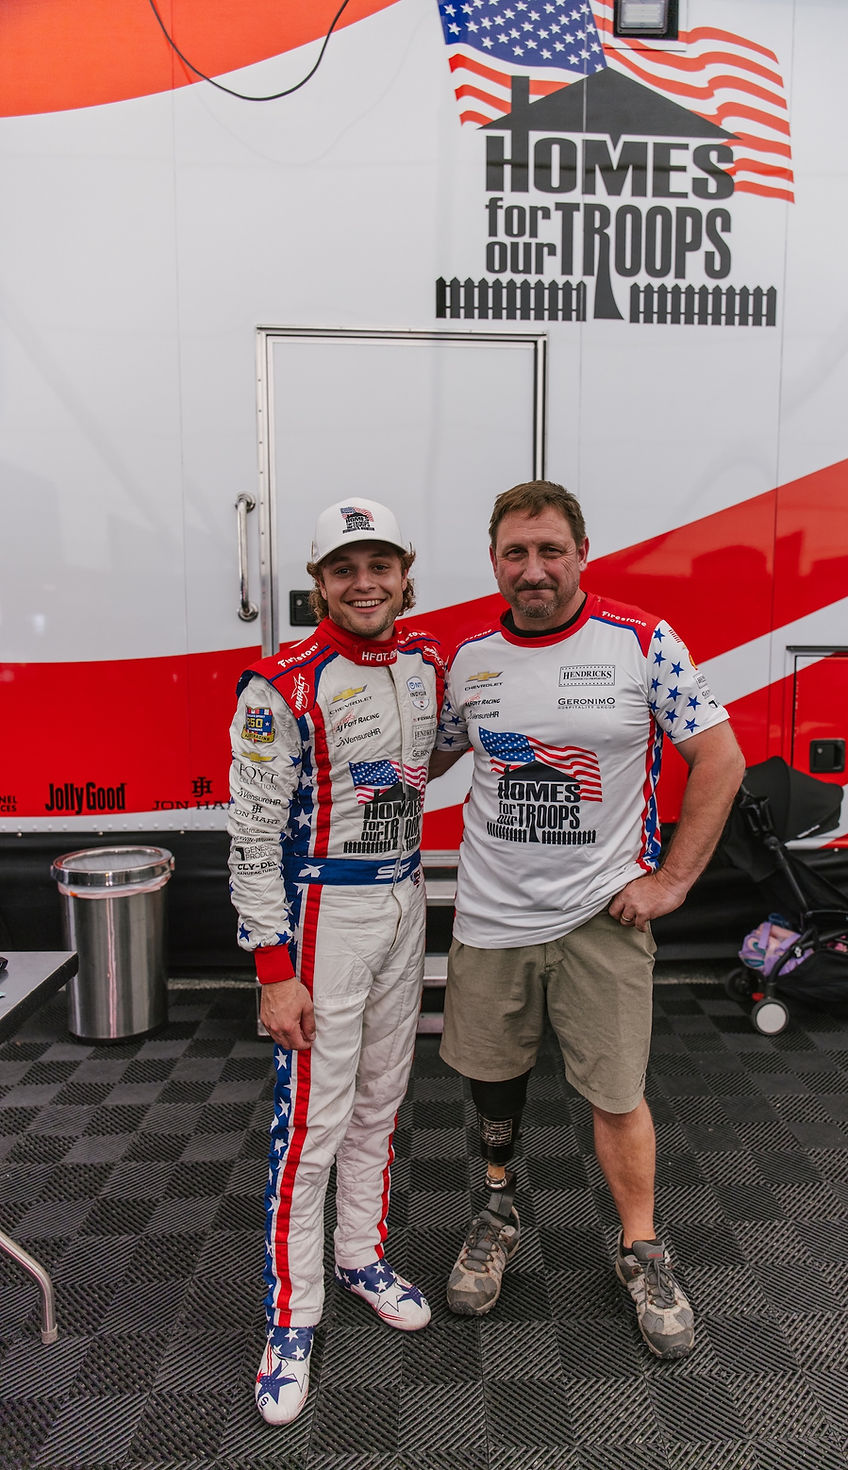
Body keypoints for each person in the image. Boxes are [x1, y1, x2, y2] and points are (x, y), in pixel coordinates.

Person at [428, 480, 744, 1360]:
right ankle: (498, 1204)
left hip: (601, 916)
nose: (534, 569)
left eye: (550, 550)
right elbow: (431, 756)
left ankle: (641, 1246)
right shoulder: (470, 660)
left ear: (582, 554)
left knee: (616, 1092)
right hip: (492, 917)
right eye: (516, 553)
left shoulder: (642, 642)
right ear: (494, 561)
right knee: (492, 1080)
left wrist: (673, 881)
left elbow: (719, 758)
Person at [228, 498, 444, 1425]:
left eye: (380, 565)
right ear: (318, 583)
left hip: (407, 898)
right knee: (311, 1119)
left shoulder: (429, 664)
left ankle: (359, 1254)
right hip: (323, 910)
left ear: (404, 575)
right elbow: (248, 834)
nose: (365, 583)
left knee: (381, 1101)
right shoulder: (281, 686)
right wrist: (274, 969)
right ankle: (292, 1316)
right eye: (344, 568)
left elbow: (450, 748)